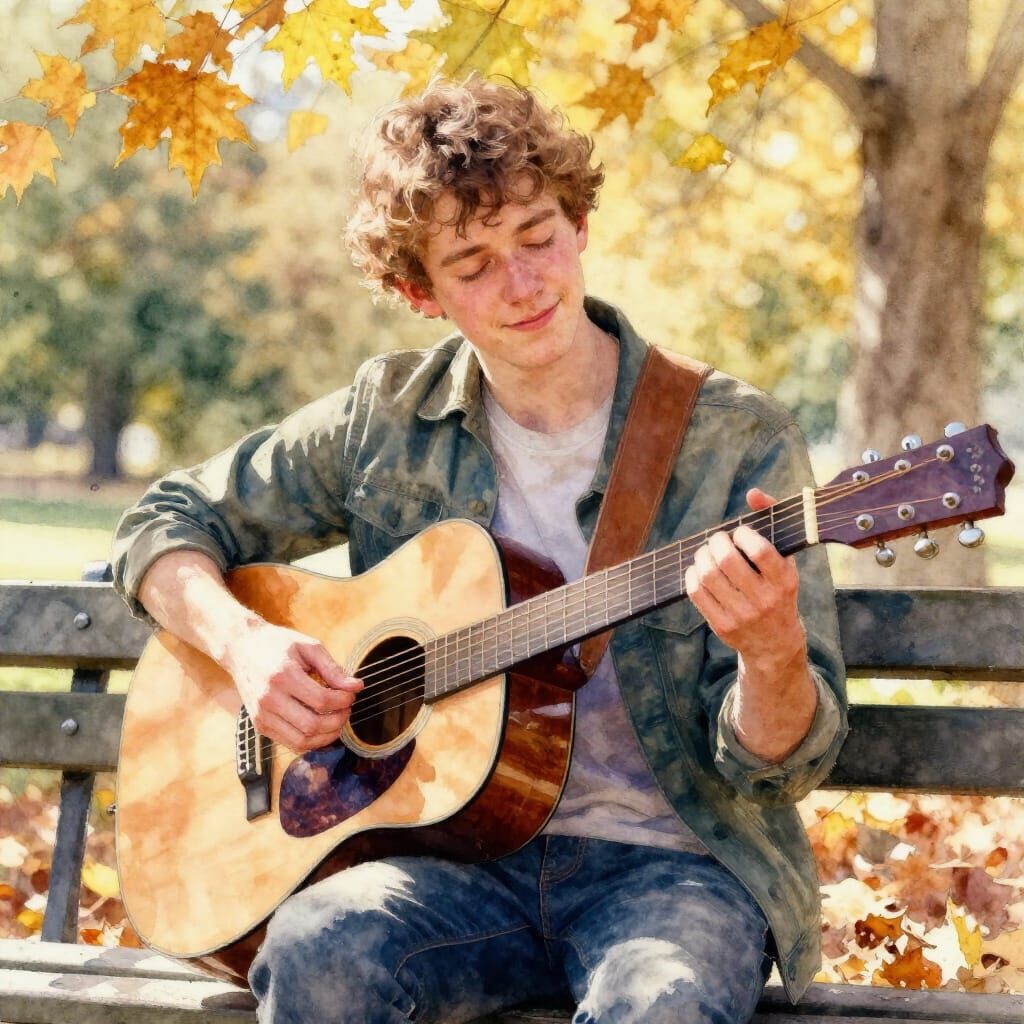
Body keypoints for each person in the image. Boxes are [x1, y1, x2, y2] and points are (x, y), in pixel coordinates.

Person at [113, 75, 847, 1024]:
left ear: (580, 225)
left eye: (538, 237)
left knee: (662, 1004)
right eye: (473, 262)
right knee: (318, 955)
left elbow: (782, 767)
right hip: (439, 865)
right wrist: (247, 648)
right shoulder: (388, 417)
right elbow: (163, 521)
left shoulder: (731, 440)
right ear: (419, 292)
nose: (524, 283)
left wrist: (772, 652)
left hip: (674, 869)